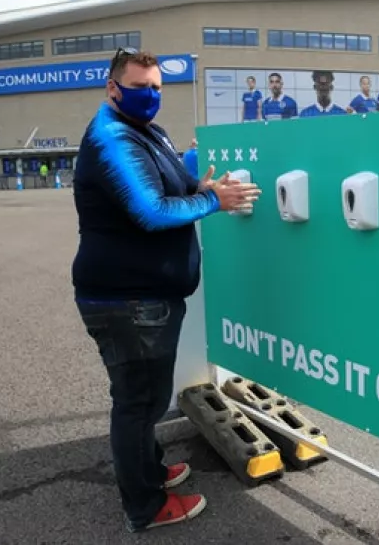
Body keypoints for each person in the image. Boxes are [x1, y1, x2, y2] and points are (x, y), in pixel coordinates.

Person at [70, 47, 261, 534]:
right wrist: (212, 200)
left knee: (148, 399)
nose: (151, 96)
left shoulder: (146, 131)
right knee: (137, 404)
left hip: (145, 297)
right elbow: (152, 212)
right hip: (126, 301)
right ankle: (146, 506)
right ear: (113, 88)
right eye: (140, 87)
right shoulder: (113, 138)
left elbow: (172, 182)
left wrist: (198, 177)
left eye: (157, 87)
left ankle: (149, 470)